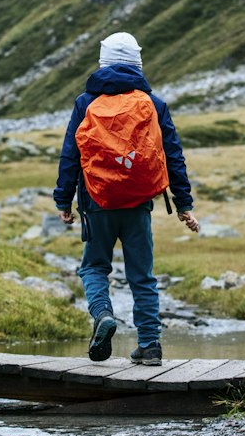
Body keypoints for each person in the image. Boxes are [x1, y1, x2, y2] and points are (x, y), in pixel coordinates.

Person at [54, 31, 199, 366]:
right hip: (138, 203)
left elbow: (70, 156)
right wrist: (184, 204)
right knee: (142, 276)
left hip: (97, 202)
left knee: (93, 266)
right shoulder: (153, 104)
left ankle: (104, 314)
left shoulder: (85, 103)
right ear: (138, 63)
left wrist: (63, 200)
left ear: (103, 61)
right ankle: (150, 346)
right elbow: (172, 155)